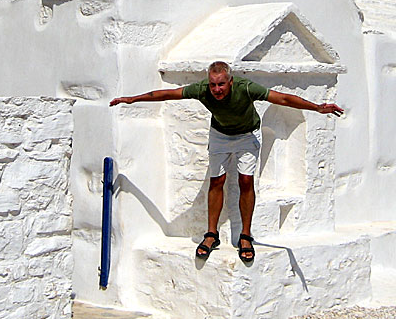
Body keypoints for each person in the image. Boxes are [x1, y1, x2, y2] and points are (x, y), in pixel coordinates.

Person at [109, 60, 343, 263]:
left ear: (230, 82)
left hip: (247, 135)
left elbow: (281, 98)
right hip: (220, 135)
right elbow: (167, 94)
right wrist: (132, 99)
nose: (217, 89)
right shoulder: (201, 89)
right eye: (213, 84)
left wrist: (317, 107)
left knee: (245, 181)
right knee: (216, 181)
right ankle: (211, 234)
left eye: (221, 84)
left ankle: (246, 236)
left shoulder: (246, 88)